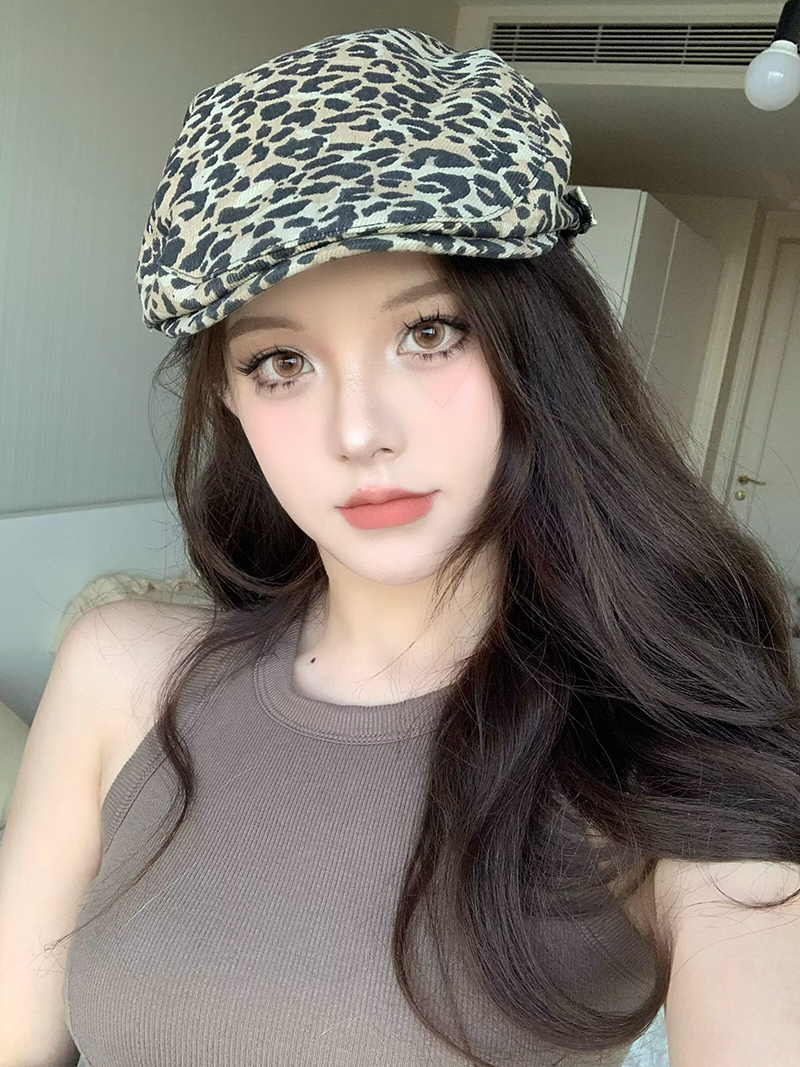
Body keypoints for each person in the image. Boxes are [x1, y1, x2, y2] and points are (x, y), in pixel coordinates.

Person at [3, 25, 800, 1067]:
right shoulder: (119, 672)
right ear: (231, 399)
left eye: (428, 332)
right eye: (281, 360)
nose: (358, 432)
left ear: (533, 352)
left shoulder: (661, 750)